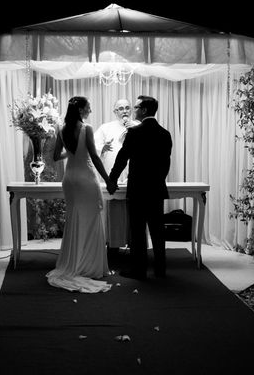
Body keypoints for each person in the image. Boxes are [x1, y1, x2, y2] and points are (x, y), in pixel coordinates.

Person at [48, 96, 112, 293]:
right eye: (89, 107)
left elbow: (56, 156)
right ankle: (90, 266)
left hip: (70, 179)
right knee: (91, 220)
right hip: (86, 179)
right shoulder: (86, 128)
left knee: (74, 219)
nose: (90, 110)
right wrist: (108, 179)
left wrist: (72, 152)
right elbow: (93, 156)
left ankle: (73, 262)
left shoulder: (61, 128)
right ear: (82, 110)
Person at [107, 95, 172, 280]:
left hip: (137, 189)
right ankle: (160, 270)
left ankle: (139, 270)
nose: (133, 110)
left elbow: (122, 158)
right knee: (158, 231)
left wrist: (112, 180)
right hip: (156, 189)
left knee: (138, 231)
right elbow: (165, 164)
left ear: (143, 110)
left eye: (135, 107)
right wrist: (158, 181)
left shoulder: (135, 133)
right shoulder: (165, 133)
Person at [94, 99, 140, 252]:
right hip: (112, 175)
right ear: (115, 112)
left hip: (135, 178)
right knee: (113, 213)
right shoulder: (105, 128)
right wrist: (103, 147)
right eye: (120, 108)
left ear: (132, 110)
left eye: (127, 108)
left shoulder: (139, 126)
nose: (124, 111)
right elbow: (92, 147)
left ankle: (135, 247)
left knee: (135, 215)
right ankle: (112, 246)